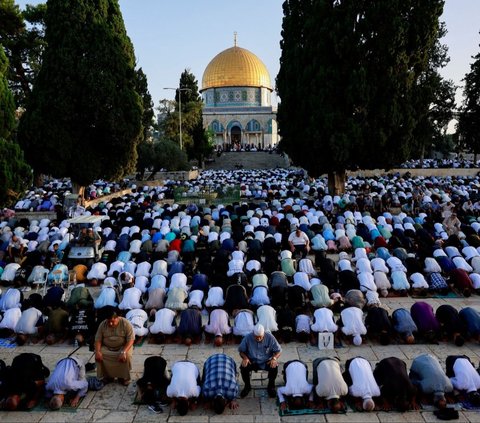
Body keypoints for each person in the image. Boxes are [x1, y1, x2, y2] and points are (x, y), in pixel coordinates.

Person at [238, 323, 282, 398]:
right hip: (252, 361)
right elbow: (241, 351)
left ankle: (271, 387)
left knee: (274, 367)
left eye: (260, 337)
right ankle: (247, 386)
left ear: (264, 334)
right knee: (243, 367)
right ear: (253, 334)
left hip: (266, 361)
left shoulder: (270, 338)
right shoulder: (248, 337)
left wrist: (274, 358)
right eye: (256, 337)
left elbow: (279, 351)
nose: (258, 339)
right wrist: (245, 358)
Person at [94, 306, 135, 385]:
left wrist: (123, 352)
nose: (110, 323)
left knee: (126, 355)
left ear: (118, 318)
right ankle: (107, 376)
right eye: (109, 321)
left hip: (123, 347)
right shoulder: (103, 324)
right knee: (99, 355)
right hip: (107, 347)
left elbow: (131, 340)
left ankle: (123, 377)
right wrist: (98, 351)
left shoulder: (126, 323)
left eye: (112, 321)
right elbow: (98, 339)